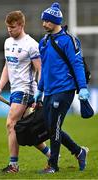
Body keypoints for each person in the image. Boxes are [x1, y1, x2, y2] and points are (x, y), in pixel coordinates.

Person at [34, 2, 89, 174]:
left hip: (64, 90)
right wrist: (40, 89)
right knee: (51, 127)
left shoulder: (69, 40)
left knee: (55, 126)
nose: (44, 24)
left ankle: (53, 166)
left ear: (56, 21)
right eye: (43, 21)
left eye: (48, 21)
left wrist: (83, 88)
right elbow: (44, 68)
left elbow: (77, 64)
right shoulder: (43, 42)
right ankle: (79, 151)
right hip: (49, 91)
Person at [0, 10, 51, 173]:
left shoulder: (31, 45)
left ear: (21, 25)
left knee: (11, 124)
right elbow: (7, 66)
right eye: (7, 28)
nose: (9, 30)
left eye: (12, 27)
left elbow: (40, 70)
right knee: (27, 130)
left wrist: (39, 94)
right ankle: (55, 154)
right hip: (14, 91)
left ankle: (13, 166)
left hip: (26, 91)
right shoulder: (7, 42)